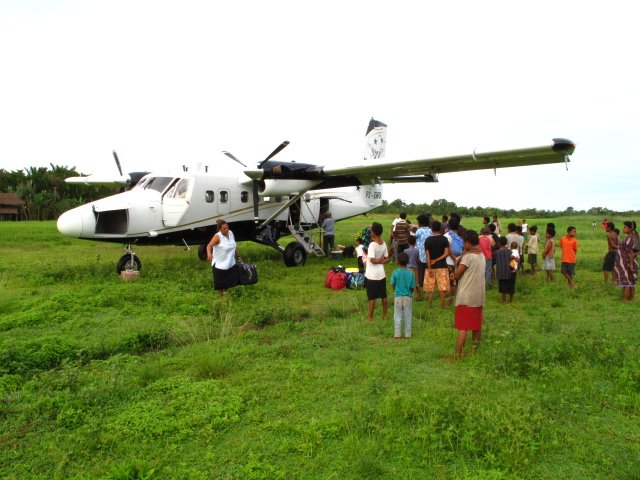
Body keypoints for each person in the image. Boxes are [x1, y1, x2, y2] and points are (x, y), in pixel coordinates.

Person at [447, 230, 486, 358]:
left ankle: (458, 354)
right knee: (476, 325)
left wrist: (456, 266)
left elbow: (457, 275)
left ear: (468, 243)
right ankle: (474, 351)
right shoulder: (481, 255)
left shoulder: (468, 257)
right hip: (478, 295)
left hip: (467, 294)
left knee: (462, 326)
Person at [206, 219, 242, 297]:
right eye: (224, 229)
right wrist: (209, 254)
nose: (226, 230)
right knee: (220, 282)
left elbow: (234, 246)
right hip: (220, 263)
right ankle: (220, 298)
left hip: (230, 262)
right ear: (219, 229)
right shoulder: (217, 236)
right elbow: (209, 246)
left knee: (228, 280)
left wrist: (238, 256)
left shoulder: (231, 233)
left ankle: (226, 294)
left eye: (227, 228)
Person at [365, 222, 389, 321]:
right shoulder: (384, 244)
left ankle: (370, 317)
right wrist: (382, 259)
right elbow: (387, 259)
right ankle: (385, 314)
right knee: (383, 295)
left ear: (373, 233)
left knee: (372, 297)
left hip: (372, 275)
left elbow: (373, 260)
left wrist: (378, 260)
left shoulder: (372, 245)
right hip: (381, 274)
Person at [424, 220, 450, 309]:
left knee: (430, 288)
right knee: (442, 288)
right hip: (442, 266)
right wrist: (437, 260)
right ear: (440, 228)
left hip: (430, 266)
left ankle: (429, 306)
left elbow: (427, 255)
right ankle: (443, 306)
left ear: (431, 228)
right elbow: (446, 253)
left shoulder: (427, 240)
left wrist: (430, 266)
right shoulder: (444, 239)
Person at [390, 252, 415, 339]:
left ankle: (397, 335)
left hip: (398, 296)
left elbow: (393, 284)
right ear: (408, 261)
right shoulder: (411, 273)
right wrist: (410, 293)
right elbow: (412, 287)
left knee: (397, 316)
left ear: (397, 261)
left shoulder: (395, 272)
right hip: (408, 296)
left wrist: (396, 290)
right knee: (408, 316)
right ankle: (408, 335)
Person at [613, 221, 639, 302]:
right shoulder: (636, 237)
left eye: (625, 227)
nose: (623, 229)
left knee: (627, 281)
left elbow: (630, 253)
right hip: (631, 261)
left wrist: (631, 264)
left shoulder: (629, 239)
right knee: (631, 280)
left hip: (627, 263)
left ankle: (625, 298)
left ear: (630, 229)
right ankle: (631, 297)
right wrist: (634, 255)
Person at [414, 214, 432, 297]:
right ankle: (427, 286)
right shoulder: (430, 230)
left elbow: (415, 239)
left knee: (420, 272)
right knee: (427, 271)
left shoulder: (419, 230)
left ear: (420, 223)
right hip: (429, 255)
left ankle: (419, 286)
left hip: (420, 254)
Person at [495, 236, 515, 303]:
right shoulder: (510, 251)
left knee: (503, 286)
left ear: (499, 243)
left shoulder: (496, 252)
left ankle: (504, 300)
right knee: (511, 285)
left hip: (500, 272)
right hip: (509, 271)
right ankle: (511, 300)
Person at [405, 235, 422, 300]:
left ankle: (408, 294)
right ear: (415, 242)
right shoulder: (417, 250)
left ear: (408, 242)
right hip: (415, 268)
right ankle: (419, 296)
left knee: (408, 282)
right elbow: (418, 259)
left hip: (408, 268)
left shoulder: (406, 251)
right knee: (416, 283)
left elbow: (405, 259)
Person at [603, 221, 619, 286]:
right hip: (616, 252)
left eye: (606, 227)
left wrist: (617, 247)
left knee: (605, 268)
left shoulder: (609, 235)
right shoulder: (615, 234)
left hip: (611, 252)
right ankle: (613, 282)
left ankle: (606, 282)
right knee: (613, 267)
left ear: (609, 228)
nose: (605, 228)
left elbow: (613, 245)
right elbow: (617, 243)